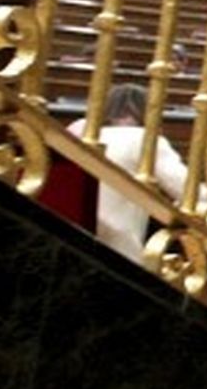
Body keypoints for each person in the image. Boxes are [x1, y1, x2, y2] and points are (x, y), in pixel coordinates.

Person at [67, 83, 192, 263]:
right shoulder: (144, 139)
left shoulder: (79, 132)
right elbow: (185, 190)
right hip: (116, 246)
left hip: (65, 234)